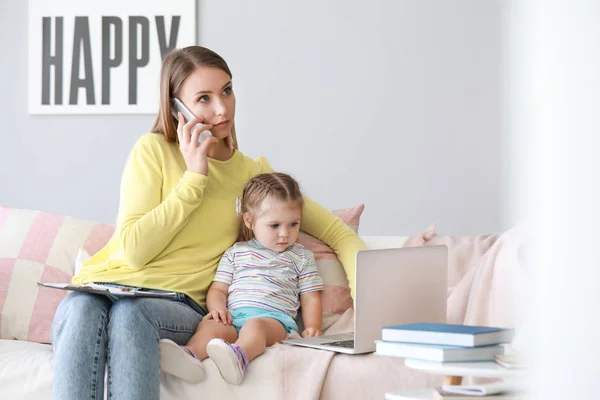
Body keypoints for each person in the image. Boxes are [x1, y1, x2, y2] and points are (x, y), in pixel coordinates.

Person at [51, 46, 366, 400]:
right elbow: (135, 251)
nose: (222, 109)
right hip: (108, 285)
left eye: (227, 91)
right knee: (79, 305)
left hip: (179, 304)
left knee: (130, 315)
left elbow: (338, 233)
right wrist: (193, 178)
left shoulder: (254, 176)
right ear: (176, 107)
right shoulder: (151, 150)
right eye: (204, 98)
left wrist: (370, 300)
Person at [160, 172, 324, 385]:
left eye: (293, 224)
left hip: (274, 322)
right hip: (234, 318)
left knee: (255, 327)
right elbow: (218, 289)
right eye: (275, 225)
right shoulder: (235, 253)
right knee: (210, 328)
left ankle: (239, 358)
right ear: (249, 220)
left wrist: (313, 327)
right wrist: (217, 309)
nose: (285, 233)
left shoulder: (301, 256)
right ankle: (190, 358)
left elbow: (311, 298)